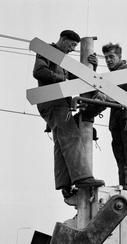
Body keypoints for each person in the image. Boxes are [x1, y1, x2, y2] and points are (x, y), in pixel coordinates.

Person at [33, 30, 105, 199]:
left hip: (55, 102)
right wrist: (62, 79)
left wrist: (92, 66)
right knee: (71, 136)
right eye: (72, 45)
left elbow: (81, 77)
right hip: (52, 100)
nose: (73, 49)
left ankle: (65, 185)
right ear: (63, 40)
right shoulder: (47, 51)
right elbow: (39, 71)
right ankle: (82, 177)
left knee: (61, 141)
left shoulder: (63, 61)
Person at [97, 42, 127, 192]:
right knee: (119, 150)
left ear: (119, 57)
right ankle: (124, 183)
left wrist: (105, 96)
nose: (108, 60)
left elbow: (126, 91)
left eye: (111, 57)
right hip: (117, 114)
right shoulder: (110, 77)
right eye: (106, 58)